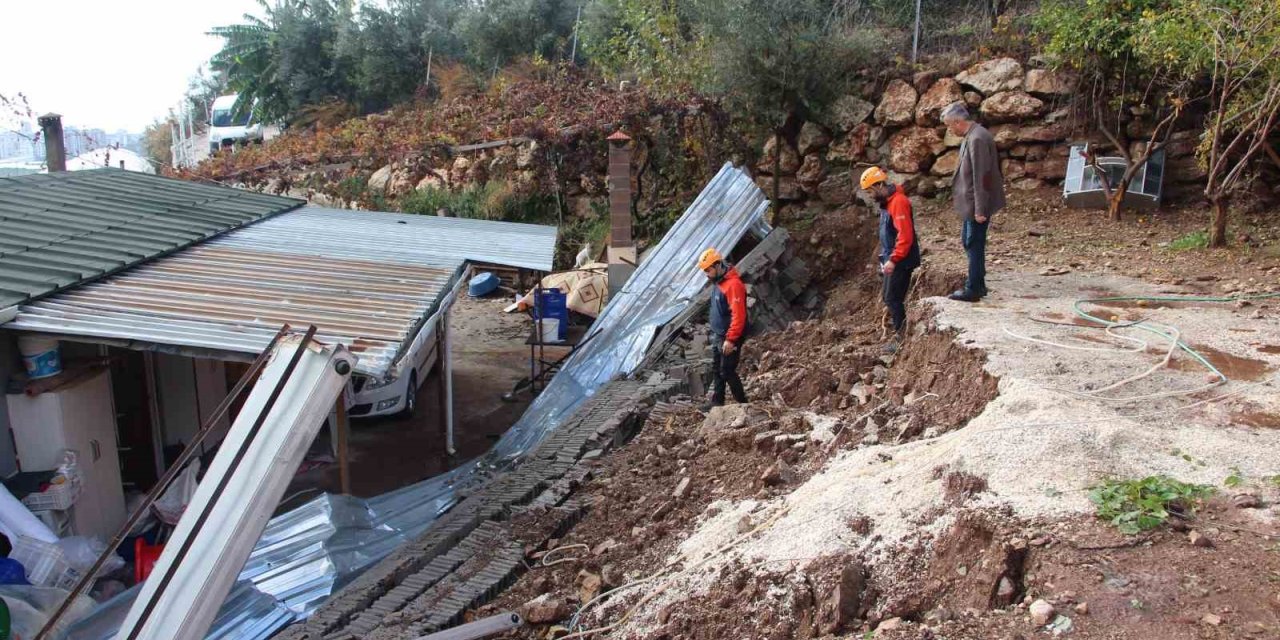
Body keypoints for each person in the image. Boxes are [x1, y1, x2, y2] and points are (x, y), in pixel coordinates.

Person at [942, 102, 1005, 302]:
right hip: (972, 202)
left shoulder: (977, 138)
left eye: (949, 125)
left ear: (958, 122)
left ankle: (974, 288)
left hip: (976, 203)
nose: (949, 130)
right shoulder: (973, 135)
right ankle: (978, 282)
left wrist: (980, 209)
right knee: (969, 242)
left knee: (973, 242)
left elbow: (982, 177)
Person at [860, 166, 921, 352]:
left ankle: (902, 339)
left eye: (870, 191)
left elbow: (905, 236)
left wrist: (894, 259)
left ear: (878, 185)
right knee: (889, 297)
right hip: (892, 258)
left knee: (893, 298)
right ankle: (900, 334)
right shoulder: (887, 203)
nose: (869, 195)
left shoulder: (898, 202)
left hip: (901, 260)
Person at [698, 247, 748, 410]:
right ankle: (717, 401)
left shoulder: (733, 285)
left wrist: (731, 340)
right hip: (720, 334)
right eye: (704, 271)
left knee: (727, 371)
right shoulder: (719, 282)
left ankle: (744, 404)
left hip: (729, 337)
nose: (707, 274)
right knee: (716, 369)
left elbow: (739, 316)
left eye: (708, 270)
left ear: (718, 265)